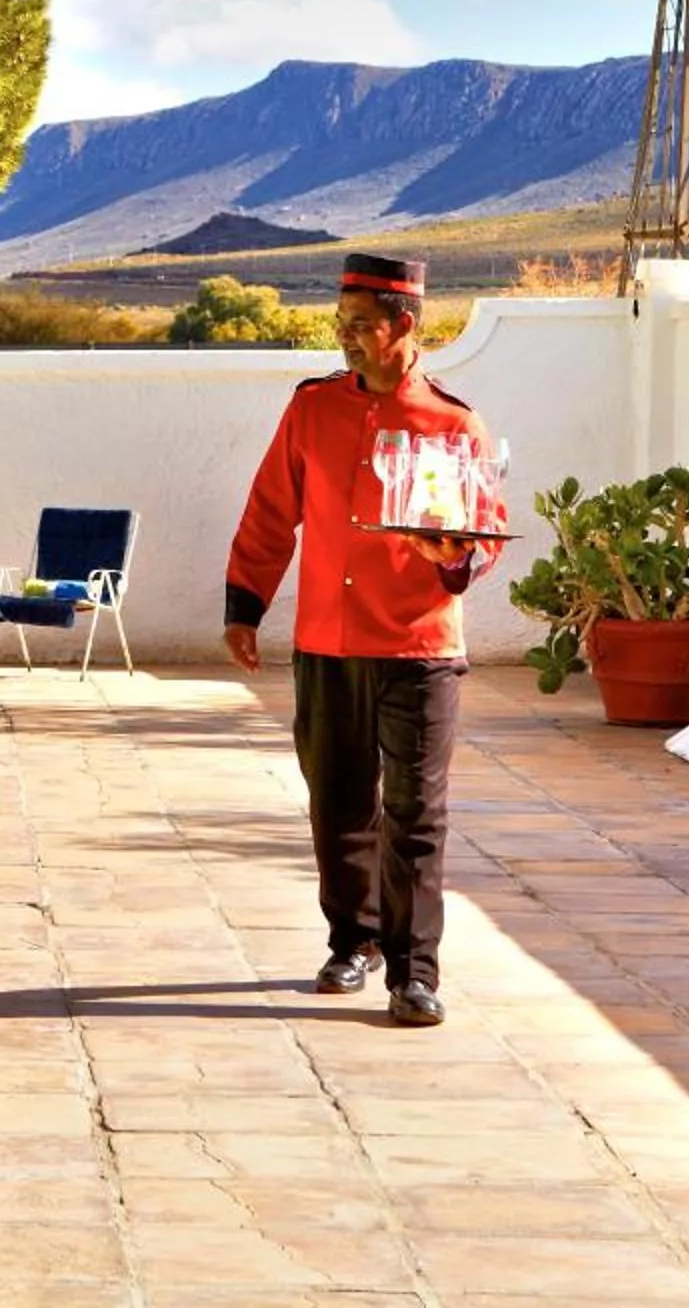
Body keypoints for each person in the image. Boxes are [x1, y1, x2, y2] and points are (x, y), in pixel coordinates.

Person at [222, 253, 496, 1028]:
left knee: (415, 813)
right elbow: (272, 512)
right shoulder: (311, 411)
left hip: (419, 650)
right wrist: (245, 605)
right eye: (340, 326)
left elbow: (482, 530)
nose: (344, 340)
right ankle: (353, 941)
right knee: (337, 803)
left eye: (359, 327)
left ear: (403, 327)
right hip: (326, 644)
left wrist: (457, 558)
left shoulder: (453, 425)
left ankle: (414, 973)